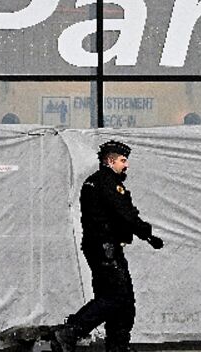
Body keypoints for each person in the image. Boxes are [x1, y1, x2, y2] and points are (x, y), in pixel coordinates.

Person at [52, 140, 163, 352]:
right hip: (105, 247)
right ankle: (71, 331)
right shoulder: (108, 183)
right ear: (110, 161)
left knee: (117, 298)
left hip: (99, 247)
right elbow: (125, 213)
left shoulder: (95, 181)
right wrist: (147, 234)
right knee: (118, 296)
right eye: (122, 160)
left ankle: (117, 346)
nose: (126, 165)